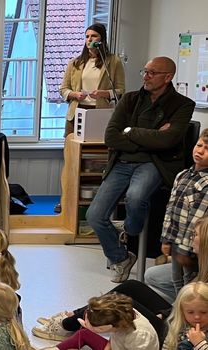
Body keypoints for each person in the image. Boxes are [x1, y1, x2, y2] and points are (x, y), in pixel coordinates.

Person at [89, 56, 195, 283]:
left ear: (168, 77)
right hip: (122, 162)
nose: (146, 77)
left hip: (154, 164)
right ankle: (121, 257)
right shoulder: (130, 100)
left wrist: (130, 131)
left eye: (152, 73)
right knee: (95, 216)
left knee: (135, 197)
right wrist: (153, 136)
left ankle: (129, 232)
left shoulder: (183, 105)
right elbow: (111, 137)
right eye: (144, 71)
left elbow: (169, 141)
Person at [159, 128, 208, 297]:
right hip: (174, 240)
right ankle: (178, 308)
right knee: (175, 279)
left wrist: (186, 249)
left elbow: (196, 219)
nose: (200, 151)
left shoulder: (206, 184)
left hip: (188, 246)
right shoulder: (182, 175)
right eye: (199, 145)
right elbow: (170, 209)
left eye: (207, 149)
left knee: (189, 282)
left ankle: (186, 308)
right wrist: (166, 239)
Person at [60, 23, 126, 137]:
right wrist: (75, 94)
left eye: (94, 36)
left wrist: (104, 93)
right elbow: (63, 89)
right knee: (72, 147)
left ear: (102, 39)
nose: (89, 39)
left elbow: (120, 90)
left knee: (96, 145)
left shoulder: (114, 62)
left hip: (100, 111)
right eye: (87, 36)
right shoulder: (75, 62)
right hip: (77, 111)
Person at [52, 293, 160, 350]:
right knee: (83, 333)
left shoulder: (139, 335)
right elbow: (114, 339)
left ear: (106, 327)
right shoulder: (120, 315)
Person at [163, 281, 208, 350]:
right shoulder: (177, 327)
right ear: (181, 311)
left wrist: (199, 343)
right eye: (190, 312)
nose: (197, 317)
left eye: (203, 312)